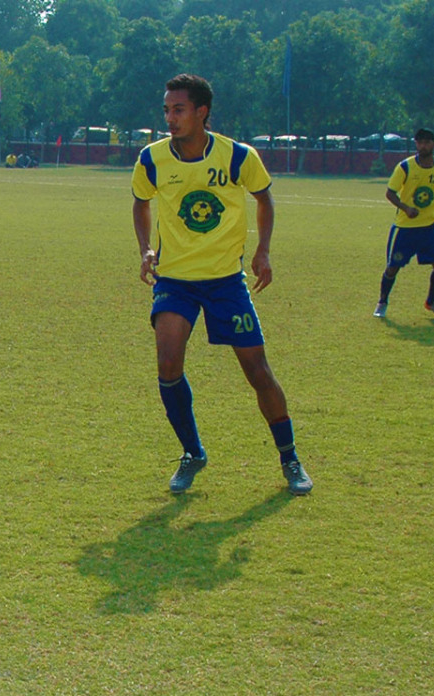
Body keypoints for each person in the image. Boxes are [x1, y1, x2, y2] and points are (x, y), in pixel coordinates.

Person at [132, 73, 310, 496]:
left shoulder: (238, 156)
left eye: (178, 110)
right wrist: (146, 249)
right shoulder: (152, 159)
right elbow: (141, 202)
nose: (170, 118)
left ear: (202, 112)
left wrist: (263, 250)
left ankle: (290, 458)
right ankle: (192, 452)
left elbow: (264, 198)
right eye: (166, 110)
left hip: (226, 282)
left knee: (257, 371)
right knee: (168, 365)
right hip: (175, 280)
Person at [376, 128, 434, 320]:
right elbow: (390, 193)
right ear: (416, 144)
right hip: (405, 228)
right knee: (393, 267)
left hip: (428, 227)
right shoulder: (405, 167)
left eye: (427, 142)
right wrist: (406, 208)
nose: (423, 146)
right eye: (420, 142)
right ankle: (382, 302)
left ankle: (431, 302)